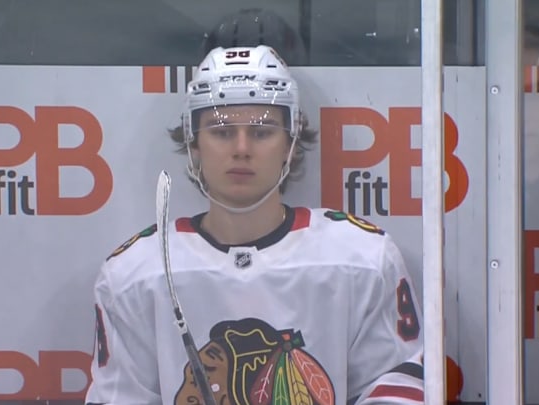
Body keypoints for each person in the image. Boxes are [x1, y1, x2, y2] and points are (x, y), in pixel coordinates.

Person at [84, 45, 424, 405]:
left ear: (291, 142)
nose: (242, 148)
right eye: (221, 131)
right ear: (194, 142)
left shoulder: (363, 259)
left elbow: (396, 388)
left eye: (262, 132)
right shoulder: (134, 274)